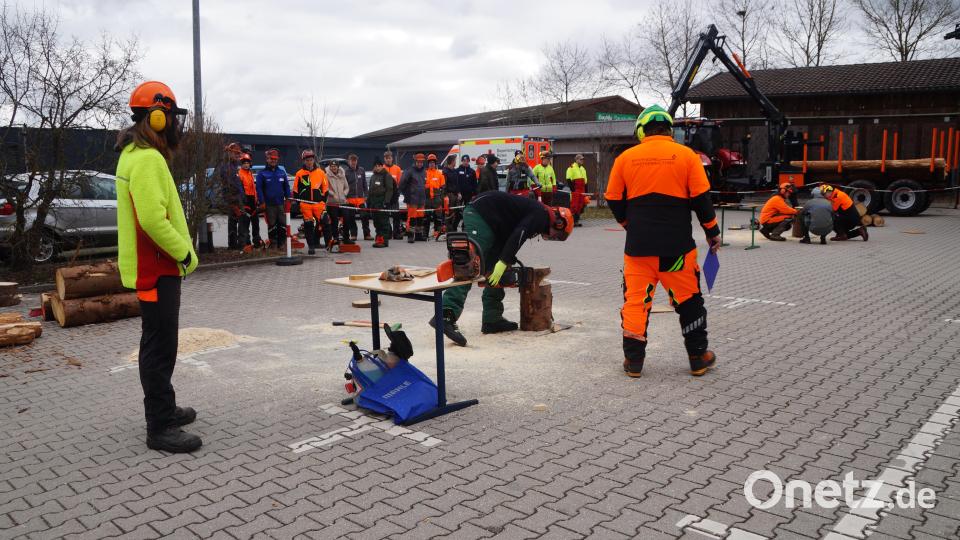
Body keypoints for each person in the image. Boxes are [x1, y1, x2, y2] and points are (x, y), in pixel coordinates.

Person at [604, 104, 720, 379]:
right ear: (669, 130)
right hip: (677, 250)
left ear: (641, 131)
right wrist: (712, 231)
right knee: (689, 301)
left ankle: (634, 361)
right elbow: (702, 199)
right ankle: (698, 358)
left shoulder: (625, 158)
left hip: (639, 250)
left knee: (635, 303)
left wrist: (627, 224)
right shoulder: (688, 156)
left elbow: (613, 198)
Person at [115, 80, 200, 453]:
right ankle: (160, 426)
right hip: (157, 267)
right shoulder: (147, 159)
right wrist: (184, 253)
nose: (175, 125)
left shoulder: (135, 154)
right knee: (159, 346)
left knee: (159, 341)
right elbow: (152, 219)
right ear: (157, 117)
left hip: (152, 266)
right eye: (171, 116)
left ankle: (166, 408)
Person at [431, 191, 573, 346]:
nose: (553, 237)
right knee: (469, 264)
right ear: (559, 223)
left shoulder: (538, 214)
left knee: (497, 267)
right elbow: (519, 234)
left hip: (495, 224)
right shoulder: (541, 215)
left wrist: (504, 260)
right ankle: (446, 315)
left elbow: (514, 238)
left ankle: (492, 318)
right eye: (558, 235)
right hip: (482, 214)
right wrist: (504, 260)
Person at [293, 149, 329, 255]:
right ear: (304, 161)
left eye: (311, 160)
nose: (309, 162)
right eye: (307, 160)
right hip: (305, 205)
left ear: (314, 160)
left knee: (325, 223)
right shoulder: (299, 174)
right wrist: (299, 203)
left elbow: (325, 188)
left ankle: (329, 244)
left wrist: (323, 201)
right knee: (308, 225)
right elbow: (295, 190)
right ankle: (311, 246)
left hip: (319, 204)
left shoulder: (321, 173)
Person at [255, 149, 289, 248]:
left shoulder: (282, 172)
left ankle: (282, 244)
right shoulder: (262, 174)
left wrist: (288, 198)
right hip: (269, 205)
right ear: (267, 159)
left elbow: (286, 187)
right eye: (271, 159)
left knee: (283, 224)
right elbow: (259, 189)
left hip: (280, 204)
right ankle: (273, 245)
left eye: (275, 159)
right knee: (272, 225)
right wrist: (262, 202)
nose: (273, 160)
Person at [217, 142, 244, 249]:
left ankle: (238, 244)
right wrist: (232, 202)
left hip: (238, 198)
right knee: (233, 222)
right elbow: (228, 186)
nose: (237, 155)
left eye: (238, 153)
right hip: (232, 199)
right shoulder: (226, 167)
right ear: (229, 153)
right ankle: (233, 245)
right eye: (235, 153)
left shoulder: (234, 166)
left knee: (239, 222)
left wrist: (242, 197)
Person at [399, 153, 427, 243]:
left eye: (421, 162)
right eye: (418, 162)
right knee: (412, 218)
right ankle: (410, 236)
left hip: (421, 199)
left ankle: (418, 235)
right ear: (415, 162)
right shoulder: (409, 171)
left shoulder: (424, 172)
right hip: (412, 199)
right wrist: (407, 194)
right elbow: (401, 183)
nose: (420, 164)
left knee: (420, 218)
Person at [367, 158, 395, 248]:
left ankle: (384, 240)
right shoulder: (373, 176)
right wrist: (368, 202)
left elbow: (390, 190)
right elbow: (370, 190)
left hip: (382, 202)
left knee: (384, 222)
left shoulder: (386, 175)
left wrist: (386, 202)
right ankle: (379, 238)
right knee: (376, 222)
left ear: (382, 166)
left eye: (379, 166)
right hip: (374, 203)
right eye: (376, 166)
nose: (377, 168)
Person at [238, 153, 262, 251]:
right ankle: (245, 244)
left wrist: (256, 200)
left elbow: (253, 189)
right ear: (241, 164)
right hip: (245, 201)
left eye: (247, 163)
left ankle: (257, 242)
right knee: (244, 224)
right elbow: (240, 190)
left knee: (255, 223)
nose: (246, 165)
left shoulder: (250, 173)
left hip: (252, 201)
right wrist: (243, 203)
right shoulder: (240, 174)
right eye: (244, 163)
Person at [344, 154, 370, 241]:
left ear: (357, 161)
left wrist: (366, 194)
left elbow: (364, 183)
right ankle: (353, 234)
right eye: (352, 160)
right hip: (350, 199)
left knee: (364, 216)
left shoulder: (361, 170)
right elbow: (344, 185)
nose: (353, 162)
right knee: (351, 217)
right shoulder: (346, 172)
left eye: (355, 160)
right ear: (349, 161)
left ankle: (367, 234)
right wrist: (344, 197)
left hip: (360, 198)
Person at [325, 159, 350, 249]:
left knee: (347, 219)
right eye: (331, 166)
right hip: (332, 203)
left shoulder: (342, 175)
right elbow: (326, 187)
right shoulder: (326, 176)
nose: (333, 168)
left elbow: (347, 187)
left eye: (335, 166)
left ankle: (346, 238)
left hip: (343, 202)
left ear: (338, 167)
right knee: (334, 221)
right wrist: (332, 194)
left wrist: (344, 194)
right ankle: (335, 238)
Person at [424, 154, 447, 240]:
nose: (431, 164)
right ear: (428, 163)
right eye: (430, 162)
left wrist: (441, 198)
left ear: (435, 163)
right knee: (426, 217)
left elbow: (443, 187)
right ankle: (425, 234)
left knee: (438, 217)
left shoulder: (439, 174)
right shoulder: (425, 173)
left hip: (437, 198)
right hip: (427, 198)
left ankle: (437, 234)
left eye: (433, 162)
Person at [384, 151, 404, 240]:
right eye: (386, 158)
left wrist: (398, 193)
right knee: (386, 216)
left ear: (392, 158)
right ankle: (388, 232)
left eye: (389, 158)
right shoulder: (382, 168)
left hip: (395, 196)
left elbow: (400, 183)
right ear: (384, 159)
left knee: (396, 215)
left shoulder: (397, 169)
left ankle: (396, 233)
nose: (388, 160)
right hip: (385, 197)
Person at [566, 153, 588, 226]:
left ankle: (576, 221)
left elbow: (585, 181)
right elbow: (568, 179)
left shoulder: (583, 169)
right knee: (574, 206)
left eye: (583, 159)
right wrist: (573, 190)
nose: (582, 161)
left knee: (580, 205)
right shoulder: (571, 167)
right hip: (576, 189)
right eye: (581, 159)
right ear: (576, 160)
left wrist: (586, 192)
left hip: (582, 189)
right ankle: (572, 221)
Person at [443, 155, 460, 234]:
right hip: (449, 195)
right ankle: (449, 231)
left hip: (455, 195)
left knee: (457, 213)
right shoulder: (445, 172)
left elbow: (457, 183)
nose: (455, 162)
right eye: (454, 160)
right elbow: (444, 185)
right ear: (452, 161)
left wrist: (459, 193)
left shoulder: (455, 171)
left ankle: (454, 229)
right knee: (449, 214)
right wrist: (445, 195)